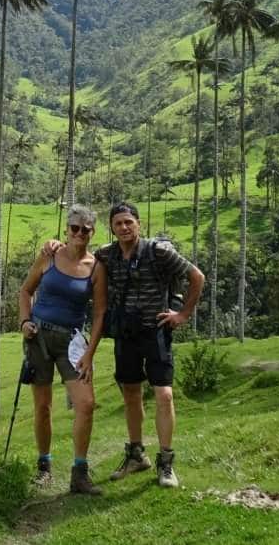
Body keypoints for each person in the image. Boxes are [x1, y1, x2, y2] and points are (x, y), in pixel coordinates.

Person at [44, 201, 204, 488]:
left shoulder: (159, 252)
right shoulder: (107, 255)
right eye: (118, 223)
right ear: (112, 228)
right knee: (130, 394)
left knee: (164, 395)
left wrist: (182, 314)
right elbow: (78, 255)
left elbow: (196, 276)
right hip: (125, 334)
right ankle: (136, 454)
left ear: (138, 224)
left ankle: (166, 463)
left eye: (129, 222)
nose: (124, 227)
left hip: (156, 331)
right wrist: (54, 245)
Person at [18, 205, 106, 494]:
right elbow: (25, 291)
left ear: (93, 232)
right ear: (67, 229)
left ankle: (79, 473)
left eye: (86, 229)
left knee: (86, 403)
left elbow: (100, 314)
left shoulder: (96, 267)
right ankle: (44, 467)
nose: (79, 233)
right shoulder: (49, 255)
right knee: (43, 407)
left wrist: (90, 353)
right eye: (74, 228)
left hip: (72, 342)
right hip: (39, 337)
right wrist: (24, 321)